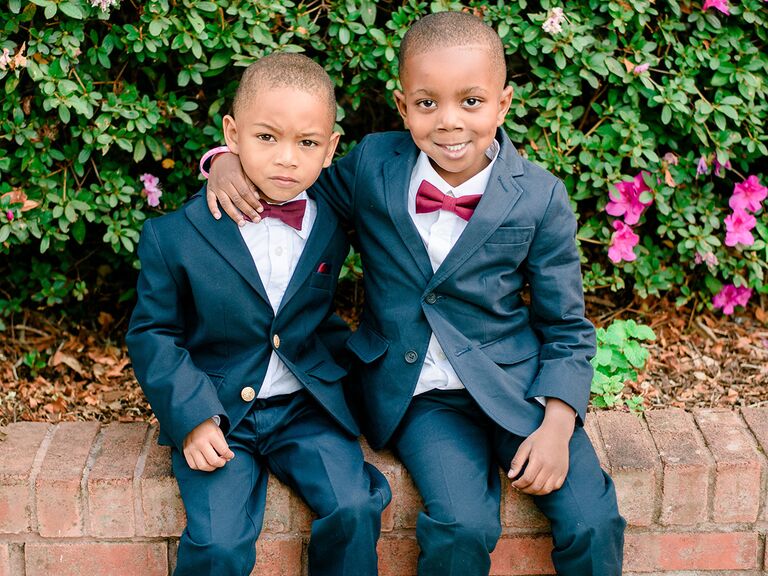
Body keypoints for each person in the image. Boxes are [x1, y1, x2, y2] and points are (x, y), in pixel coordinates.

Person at [203, 12, 625, 576]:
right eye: (427, 104)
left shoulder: (539, 198)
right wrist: (222, 160)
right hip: (421, 396)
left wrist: (558, 422)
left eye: (471, 102)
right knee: (462, 525)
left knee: (591, 519)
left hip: (517, 387)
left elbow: (568, 327)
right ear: (403, 107)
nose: (449, 122)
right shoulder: (375, 166)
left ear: (503, 103)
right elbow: (292, 179)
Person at [126, 53, 390, 576]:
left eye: (307, 143)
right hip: (220, 413)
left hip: (305, 407)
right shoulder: (173, 236)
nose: (286, 159)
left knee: (355, 506)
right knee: (219, 543)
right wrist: (193, 417)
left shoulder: (334, 215)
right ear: (232, 133)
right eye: (266, 138)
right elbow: (154, 333)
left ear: (331, 148)